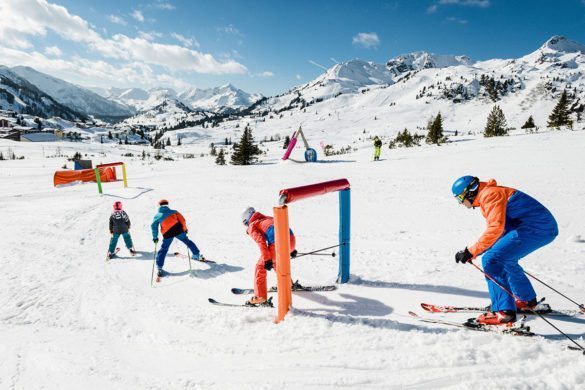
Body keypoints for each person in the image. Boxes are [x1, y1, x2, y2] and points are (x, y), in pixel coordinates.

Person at [452, 176, 558, 325]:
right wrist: (472, 252)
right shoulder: (488, 195)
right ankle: (526, 300)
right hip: (538, 227)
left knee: (492, 259)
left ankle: (503, 312)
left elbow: (496, 229)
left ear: (469, 192)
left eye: (460, 199)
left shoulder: (490, 195)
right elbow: (499, 232)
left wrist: (471, 252)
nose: (461, 203)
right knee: (503, 258)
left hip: (536, 228)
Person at [241, 207, 297, 305]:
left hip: (279, 244)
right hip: (291, 239)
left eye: (245, 223)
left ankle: (260, 297)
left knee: (260, 266)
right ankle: (288, 283)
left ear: (247, 220)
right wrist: (291, 249)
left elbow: (261, 242)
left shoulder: (252, 225)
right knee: (276, 261)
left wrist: (267, 259)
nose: (247, 226)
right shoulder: (267, 218)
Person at [151, 199, 201, 278]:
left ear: (159, 206)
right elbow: (183, 221)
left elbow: (154, 227)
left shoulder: (157, 215)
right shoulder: (174, 212)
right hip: (178, 230)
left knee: (164, 249)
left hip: (167, 234)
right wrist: (184, 229)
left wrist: (155, 237)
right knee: (187, 241)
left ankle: (159, 267)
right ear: (167, 205)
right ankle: (196, 254)